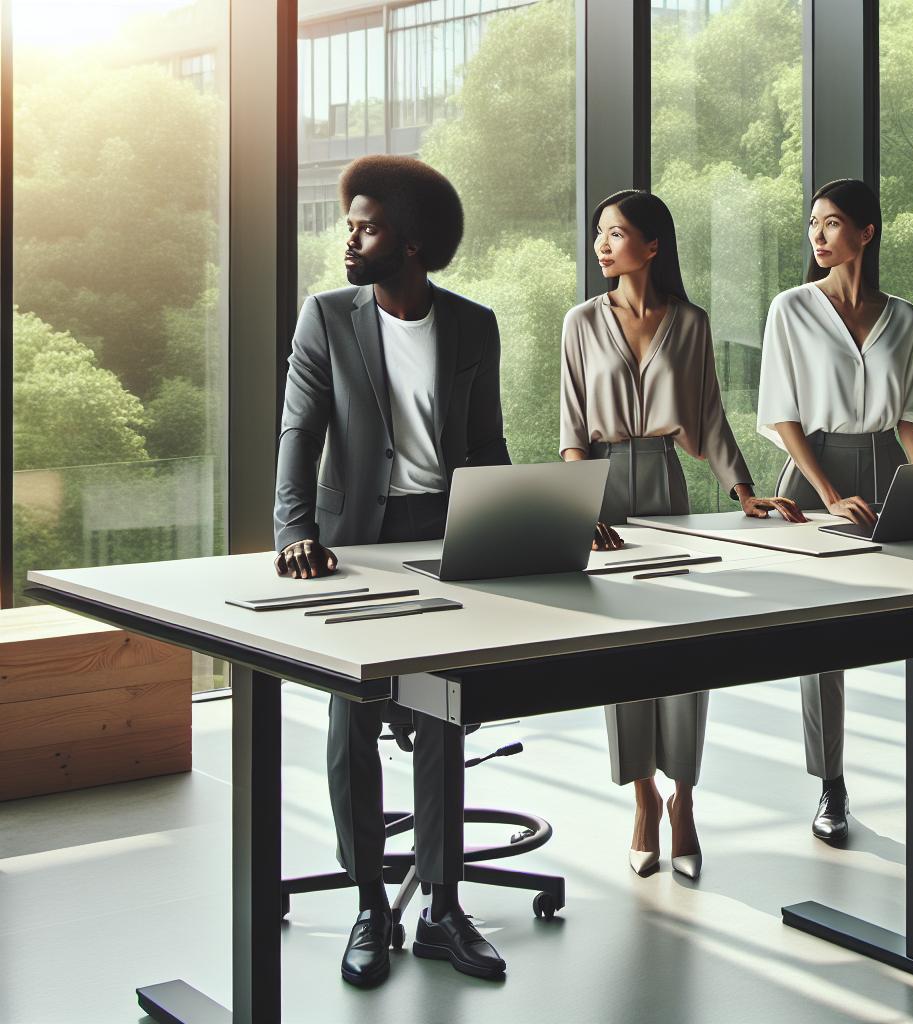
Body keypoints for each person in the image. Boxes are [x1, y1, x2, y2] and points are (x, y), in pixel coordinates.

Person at [273, 155, 509, 985]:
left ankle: (443, 906)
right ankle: (371, 900)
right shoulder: (328, 318)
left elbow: (487, 447)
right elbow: (299, 433)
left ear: (409, 244)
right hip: (352, 540)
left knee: (443, 714)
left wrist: (510, 532)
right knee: (354, 721)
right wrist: (295, 530)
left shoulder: (473, 325)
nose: (349, 238)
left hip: (446, 535)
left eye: (365, 227)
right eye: (350, 224)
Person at [560, 189, 804, 881]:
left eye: (616, 234)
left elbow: (710, 418)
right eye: (599, 234)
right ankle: (642, 799)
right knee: (622, 658)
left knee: (685, 653)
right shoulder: (580, 322)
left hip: (666, 492)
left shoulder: (690, 324)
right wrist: (584, 509)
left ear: (653, 245)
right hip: (602, 498)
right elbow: (572, 431)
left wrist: (745, 489)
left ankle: (684, 799)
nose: (602, 245)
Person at [757, 178, 913, 845]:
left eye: (831, 224)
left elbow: (909, 414)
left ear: (867, 232)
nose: (818, 236)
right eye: (812, 225)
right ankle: (831, 781)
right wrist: (828, 494)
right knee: (824, 636)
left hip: (888, 467)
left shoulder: (904, 317)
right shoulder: (791, 310)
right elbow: (781, 412)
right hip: (814, 473)